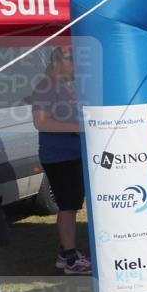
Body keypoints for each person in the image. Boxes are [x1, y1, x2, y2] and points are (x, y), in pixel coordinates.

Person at [31, 46, 91, 274]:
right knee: (67, 206)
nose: (78, 67)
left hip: (71, 155)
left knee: (72, 205)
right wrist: (76, 127)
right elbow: (41, 122)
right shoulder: (46, 86)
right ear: (60, 62)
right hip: (59, 156)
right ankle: (70, 259)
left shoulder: (64, 87)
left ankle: (64, 254)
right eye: (74, 61)